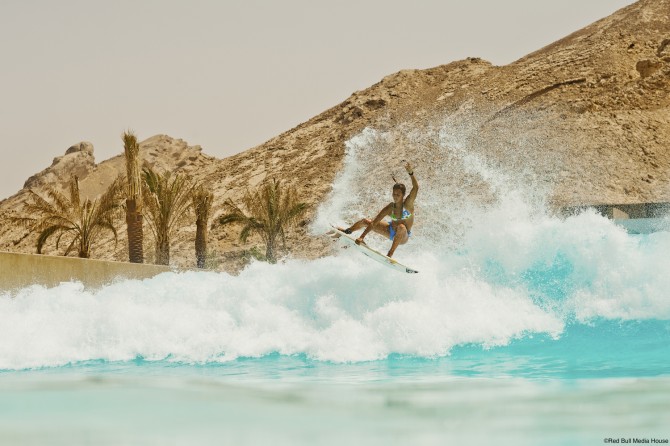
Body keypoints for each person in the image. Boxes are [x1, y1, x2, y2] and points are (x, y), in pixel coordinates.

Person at [336, 161, 418, 259]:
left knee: (401, 227)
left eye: (398, 195)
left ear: (403, 195)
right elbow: (374, 222)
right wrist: (362, 237)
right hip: (390, 230)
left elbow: (416, 187)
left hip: (403, 236)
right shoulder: (390, 208)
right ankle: (348, 231)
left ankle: (390, 254)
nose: (395, 197)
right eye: (394, 194)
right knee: (365, 221)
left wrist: (411, 173)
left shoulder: (408, 204)